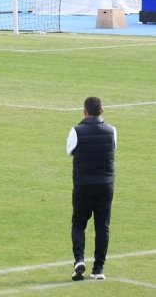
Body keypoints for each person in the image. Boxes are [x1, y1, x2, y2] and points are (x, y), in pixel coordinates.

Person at [67, 96, 117, 282]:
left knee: (79, 223)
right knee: (102, 226)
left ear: (84, 112)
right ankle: (98, 269)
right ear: (101, 111)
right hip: (106, 184)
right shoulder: (112, 131)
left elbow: (70, 151)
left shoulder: (76, 131)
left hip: (83, 184)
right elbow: (112, 150)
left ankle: (79, 260)